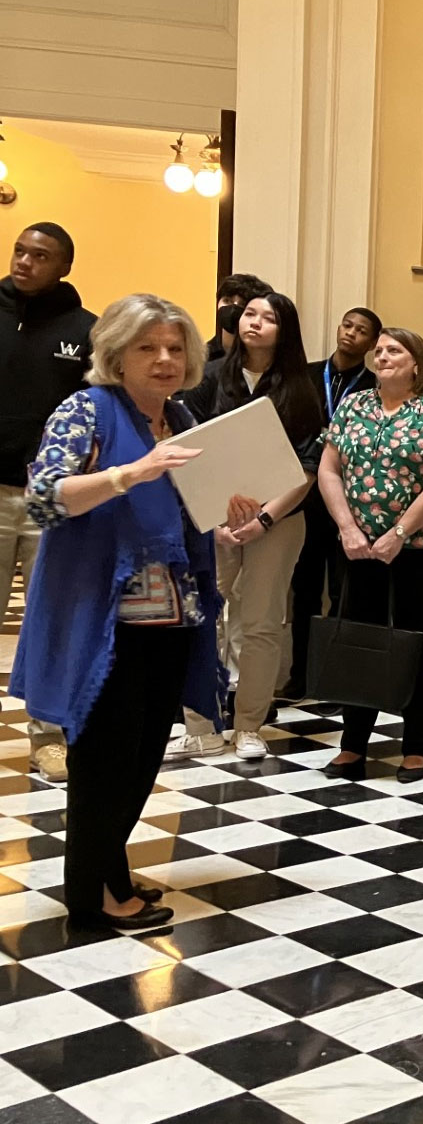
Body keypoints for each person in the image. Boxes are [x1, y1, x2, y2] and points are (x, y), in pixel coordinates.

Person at [14, 295, 227, 932]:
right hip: (103, 621)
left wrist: (229, 515)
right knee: (103, 763)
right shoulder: (86, 409)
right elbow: (44, 502)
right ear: (115, 353)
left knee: (140, 760)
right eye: (147, 347)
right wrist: (129, 473)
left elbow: (189, 510)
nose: (165, 359)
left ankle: (107, 876)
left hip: (171, 617)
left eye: (175, 347)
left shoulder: (183, 415)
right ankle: (91, 896)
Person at [171, 292, 327, 761]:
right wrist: (215, 517)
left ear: (287, 330)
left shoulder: (303, 387)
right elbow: (187, 449)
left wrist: (264, 518)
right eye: (250, 315)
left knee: (261, 623)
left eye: (269, 318)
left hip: (278, 521)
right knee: (201, 619)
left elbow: (307, 467)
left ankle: (249, 725)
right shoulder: (209, 376)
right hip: (210, 520)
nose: (254, 323)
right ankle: (198, 724)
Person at [317, 327, 423, 783]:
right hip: (357, 546)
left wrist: (399, 532)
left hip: (421, 547)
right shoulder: (354, 405)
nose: (382, 356)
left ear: (417, 363)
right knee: (360, 639)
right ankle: (353, 744)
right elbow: (328, 469)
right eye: (378, 351)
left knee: (415, 641)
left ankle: (416, 745)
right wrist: (346, 527)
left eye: (394, 350)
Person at [0, 221, 95, 783]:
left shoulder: (84, 329)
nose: (25, 261)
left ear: (63, 266)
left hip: (50, 502)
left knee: (49, 621)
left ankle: (49, 738)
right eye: (19, 250)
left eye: (41, 255)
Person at [287, 306, 381, 704]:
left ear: (372, 344)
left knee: (346, 591)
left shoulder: (374, 388)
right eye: (347, 325)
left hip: (351, 501)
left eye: (361, 331)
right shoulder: (306, 375)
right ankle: (300, 676)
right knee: (304, 590)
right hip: (304, 496)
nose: (351, 334)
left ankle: (337, 677)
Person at [207, 272, 273, 363]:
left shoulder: (264, 360)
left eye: (242, 304)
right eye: (227, 301)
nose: (233, 308)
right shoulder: (201, 356)